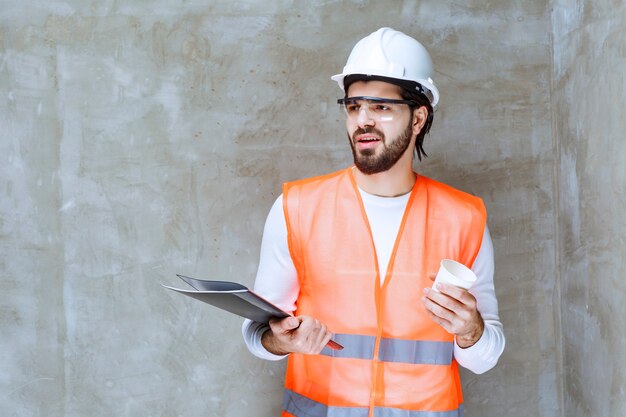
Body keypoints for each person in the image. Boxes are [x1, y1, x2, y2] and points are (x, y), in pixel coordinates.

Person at [242, 27, 505, 417]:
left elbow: (484, 357)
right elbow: (258, 336)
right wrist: (283, 342)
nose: (362, 120)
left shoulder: (462, 218)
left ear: (418, 118)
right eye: (353, 106)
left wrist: (470, 329)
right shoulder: (296, 207)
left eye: (381, 107)